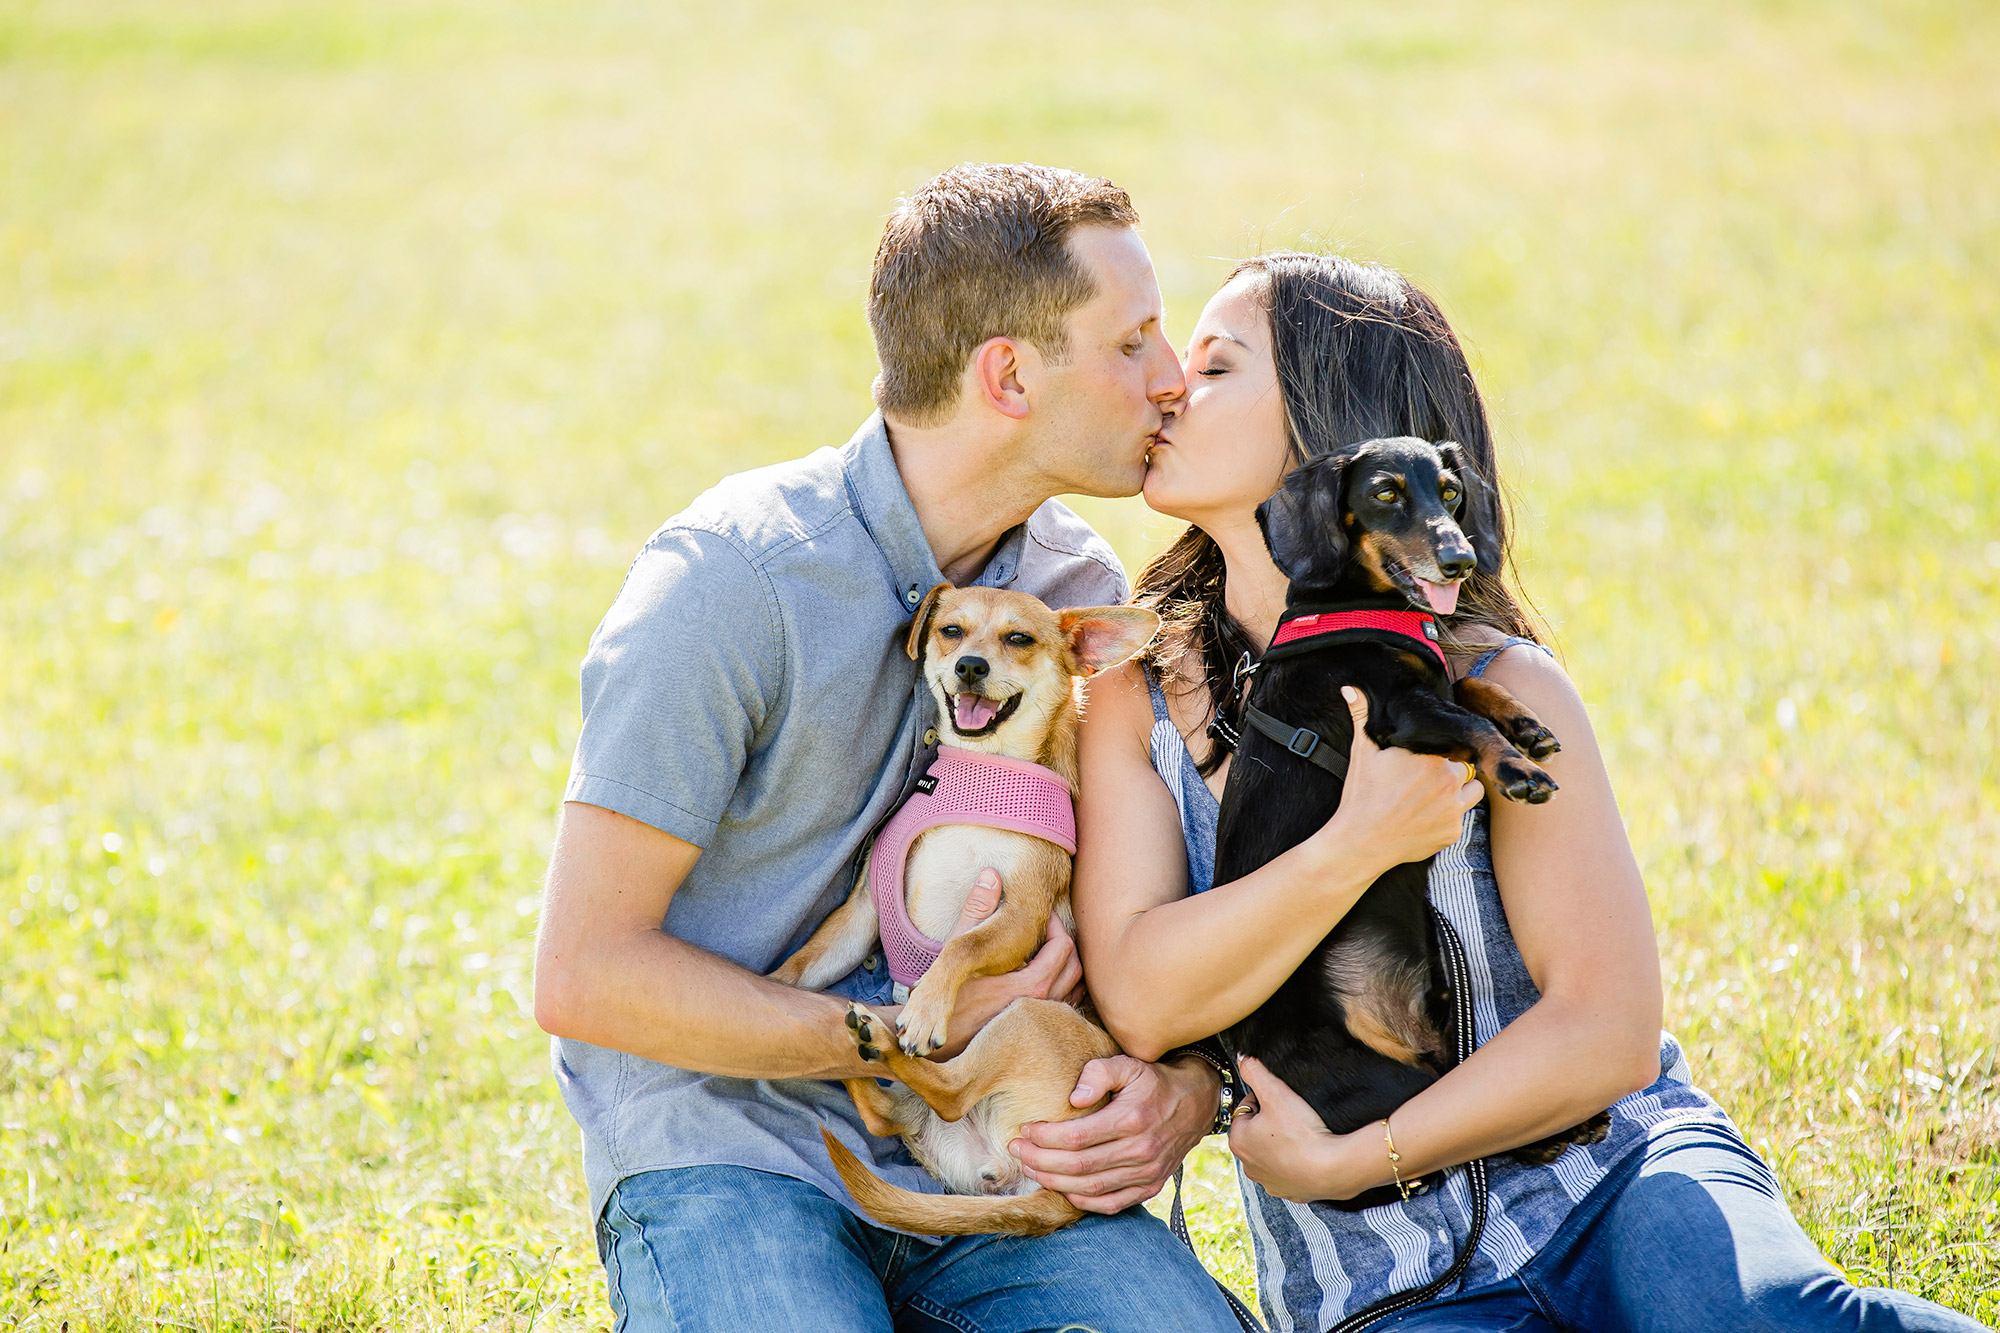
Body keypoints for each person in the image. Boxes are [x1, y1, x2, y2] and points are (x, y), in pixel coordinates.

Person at [1058, 250, 1990, 1331]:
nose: (1170, 384)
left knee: (1776, 1317)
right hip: (1380, 1274)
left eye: (1215, 368)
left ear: (1329, 429)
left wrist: (1356, 1154)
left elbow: (1604, 1031)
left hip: (1610, 1180)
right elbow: (1142, 992)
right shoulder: (1135, 698)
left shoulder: (1490, 683)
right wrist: (1355, 842)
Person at [531, 162, 1242, 1332]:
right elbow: (584, 974)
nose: (1170, 380)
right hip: (734, 1141)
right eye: (1130, 344)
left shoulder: (1073, 598)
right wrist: (906, 1041)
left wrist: (1175, 1090)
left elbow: (1133, 932)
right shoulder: (729, 582)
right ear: (1007, 374)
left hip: (1000, 1149)